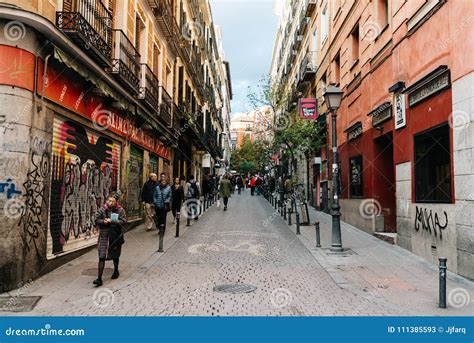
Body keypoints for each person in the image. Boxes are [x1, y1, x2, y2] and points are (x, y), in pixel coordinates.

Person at [94, 193, 127, 287]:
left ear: (116, 202)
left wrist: (113, 221)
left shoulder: (120, 210)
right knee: (101, 256)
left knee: (115, 255)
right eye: (109, 200)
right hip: (104, 235)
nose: (110, 202)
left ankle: (116, 271)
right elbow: (96, 220)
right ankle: (99, 278)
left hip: (115, 235)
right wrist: (103, 221)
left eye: (113, 201)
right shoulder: (102, 209)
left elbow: (124, 221)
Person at [154, 177, 171, 252]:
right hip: (157, 206)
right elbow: (154, 195)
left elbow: (170, 196)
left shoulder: (168, 188)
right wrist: (155, 201)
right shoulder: (157, 188)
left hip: (164, 206)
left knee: (163, 218)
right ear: (160, 182)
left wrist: (166, 201)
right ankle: (159, 228)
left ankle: (162, 230)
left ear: (166, 182)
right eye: (162, 182)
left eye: (164, 182)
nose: (163, 183)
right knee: (158, 218)